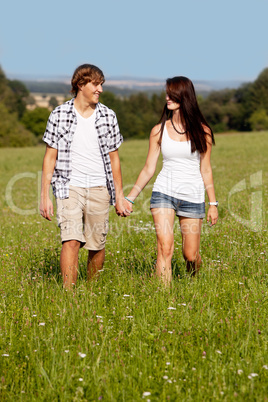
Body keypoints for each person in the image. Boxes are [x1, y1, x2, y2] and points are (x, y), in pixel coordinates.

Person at [40, 64, 130, 288]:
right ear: (80, 85)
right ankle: (68, 298)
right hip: (68, 187)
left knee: (96, 245)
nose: (100, 89)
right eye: (96, 84)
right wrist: (44, 196)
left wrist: (119, 196)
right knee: (70, 241)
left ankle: (92, 291)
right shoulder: (59, 114)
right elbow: (50, 156)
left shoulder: (108, 116)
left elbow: (114, 159)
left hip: (100, 188)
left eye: (101, 85)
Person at [124, 76, 218, 284]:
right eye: (166, 93)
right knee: (165, 247)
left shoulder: (203, 132)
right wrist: (129, 198)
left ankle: (195, 282)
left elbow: (206, 169)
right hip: (163, 193)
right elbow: (149, 168)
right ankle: (162, 299)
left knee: (190, 255)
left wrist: (212, 204)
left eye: (171, 94)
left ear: (184, 97)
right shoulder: (158, 130)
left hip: (192, 196)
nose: (167, 98)